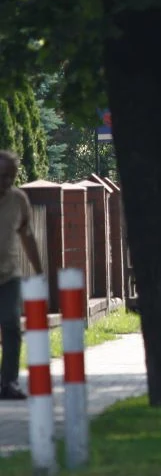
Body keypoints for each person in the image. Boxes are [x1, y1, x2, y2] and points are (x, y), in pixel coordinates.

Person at [0, 150, 44, 400]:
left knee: (11, 324)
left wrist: (38, 272)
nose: (6, 181)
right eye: (2, 176)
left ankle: (9, 383)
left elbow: (26, 235)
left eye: (10, 177)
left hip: (8, 275)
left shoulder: (18, 200)